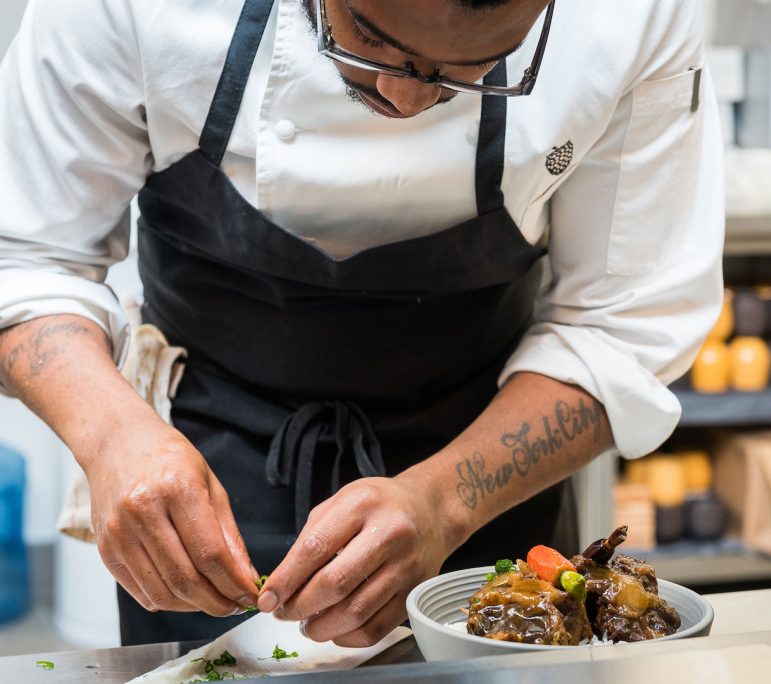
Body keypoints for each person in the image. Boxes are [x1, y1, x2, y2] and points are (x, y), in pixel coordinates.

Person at [0, 0, 723, 648]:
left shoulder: (634, 16)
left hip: (487, 509)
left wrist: (445, 500)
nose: (407, 99)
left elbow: (623, 327)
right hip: (205, 488)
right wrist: (111, 434)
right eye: (371, 39)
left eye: (470, 69)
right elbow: (24, 257)